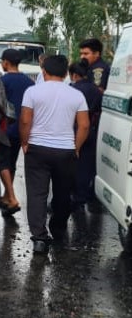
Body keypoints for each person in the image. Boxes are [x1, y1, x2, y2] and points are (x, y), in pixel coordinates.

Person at [19, 55, 90, 254]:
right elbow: (84, 125)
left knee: (37, 193)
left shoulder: (32, 92)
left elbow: (25, 121)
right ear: (66, 73)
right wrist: (76, 147)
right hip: (65, 150)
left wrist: (25, 143)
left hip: (37, 149)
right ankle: (58, 229)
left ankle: (39, 238)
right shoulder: (76, 95)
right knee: (62, 193)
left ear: (44, 71)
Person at [0, 48, 34, 216]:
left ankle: (12, 198)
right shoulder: (29, 82)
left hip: (6, 128)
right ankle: (5, 197)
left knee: (2, 163)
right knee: (12, 162)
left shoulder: (1, 81)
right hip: (23, 129)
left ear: (5, 62)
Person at [68, 60, 103, 213]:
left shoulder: (72, 90)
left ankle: (69, 196)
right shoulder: (96, 91)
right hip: (92, 131)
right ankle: (81, 199)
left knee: (70, 166)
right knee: (85, 167)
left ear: (74, 75)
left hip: (74, 130)